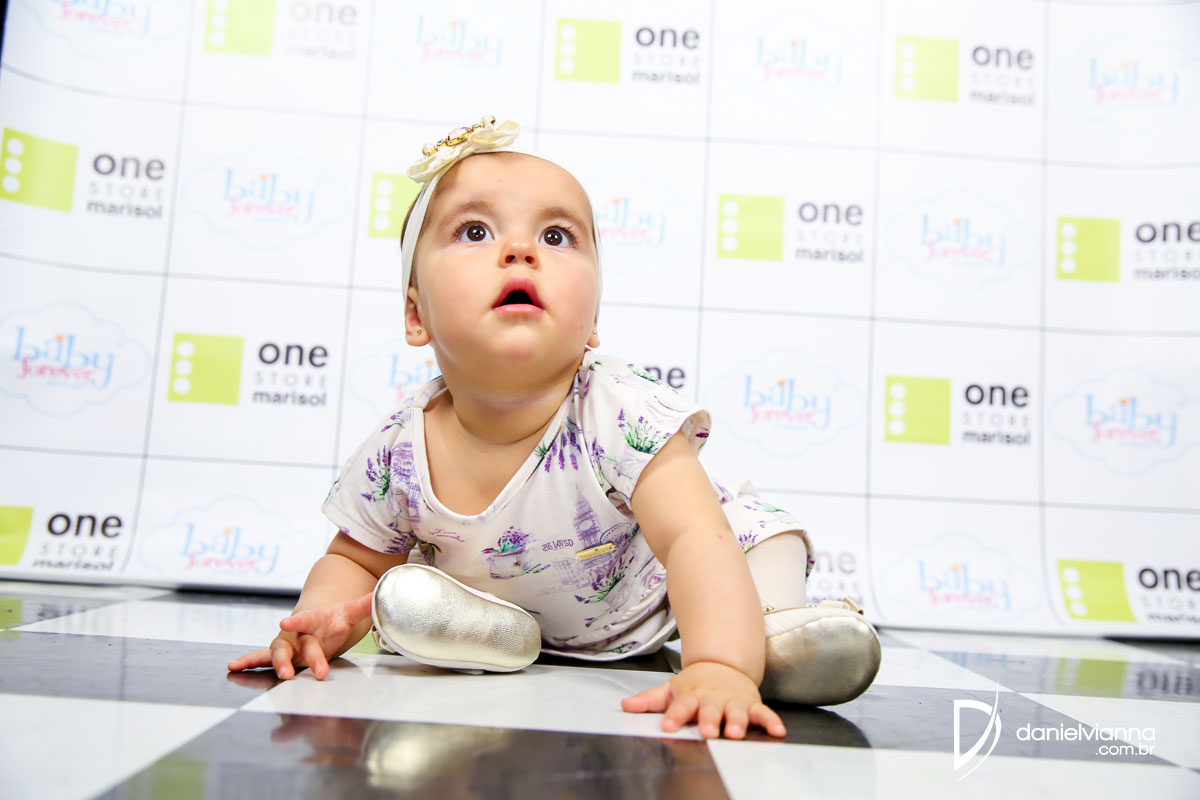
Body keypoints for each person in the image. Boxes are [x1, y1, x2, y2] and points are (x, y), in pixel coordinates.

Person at [228, 117, 881, 740]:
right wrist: (320, 621)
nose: (520, 251)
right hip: (511, 604)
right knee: (406, 593)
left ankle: (768, 633)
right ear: (416, 315)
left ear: (592, 321)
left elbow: (692, 538)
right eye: (475, 232)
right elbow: (353, 560)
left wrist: (718, 666)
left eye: (557, 237)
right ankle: (489, 633)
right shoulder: (398, 449)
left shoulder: (619, 411)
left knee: (760, 533)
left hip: (663, 598)